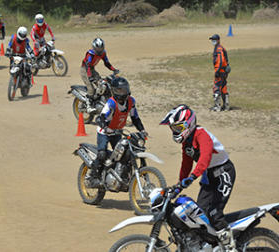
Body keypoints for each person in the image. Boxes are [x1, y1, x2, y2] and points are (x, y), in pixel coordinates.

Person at [160, 104, 237, 252]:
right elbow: (186, 164)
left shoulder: (202, 135)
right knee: (201, 215)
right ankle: (211, 245)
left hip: (223, 173)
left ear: (188, 124)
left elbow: (205, 158)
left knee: (214, 212)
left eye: (177, 128)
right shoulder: (186, 142)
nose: (175, 131)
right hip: (209, 175)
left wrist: (193, 176)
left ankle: (230, 247)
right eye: (173, 128)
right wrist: (179, 185)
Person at [86, 77, 147, 188]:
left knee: (124, 155)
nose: (123, 92)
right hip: (104, 132)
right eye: (120, 90)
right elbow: (101, 118)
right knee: (102, 154)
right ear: (114, 91)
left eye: (124, 89)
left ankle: (120, 177)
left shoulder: (130, 102)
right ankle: (93, 177)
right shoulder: (111, 103)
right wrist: (105, 127)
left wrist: (142, 130)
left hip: (117, 132)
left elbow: (135, 118)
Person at [81, 37, 119, 113]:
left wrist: (113, 69)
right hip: (85, 70)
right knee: (91, 88)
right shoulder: (90, 54)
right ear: (94, 47)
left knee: (102, 85)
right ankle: (89, 105)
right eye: (98, 49)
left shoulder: (103, 53)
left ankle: (99, 101)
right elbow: (87, 65)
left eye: (101, 48)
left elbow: (107, 63)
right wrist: (89, 77)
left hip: (92, 70)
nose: (100, 51)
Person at [209, 34, 230, 111]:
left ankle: (217, 107)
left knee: (216, 87)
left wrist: (217, 71)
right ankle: (226, 106)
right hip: (224, 71)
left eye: (214, 40)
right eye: (212, 40)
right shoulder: (221, 48)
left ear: (218, 40)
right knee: (223, 87)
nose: (212, 41)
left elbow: (221, 60)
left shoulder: (218, 49)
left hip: (220, 71)